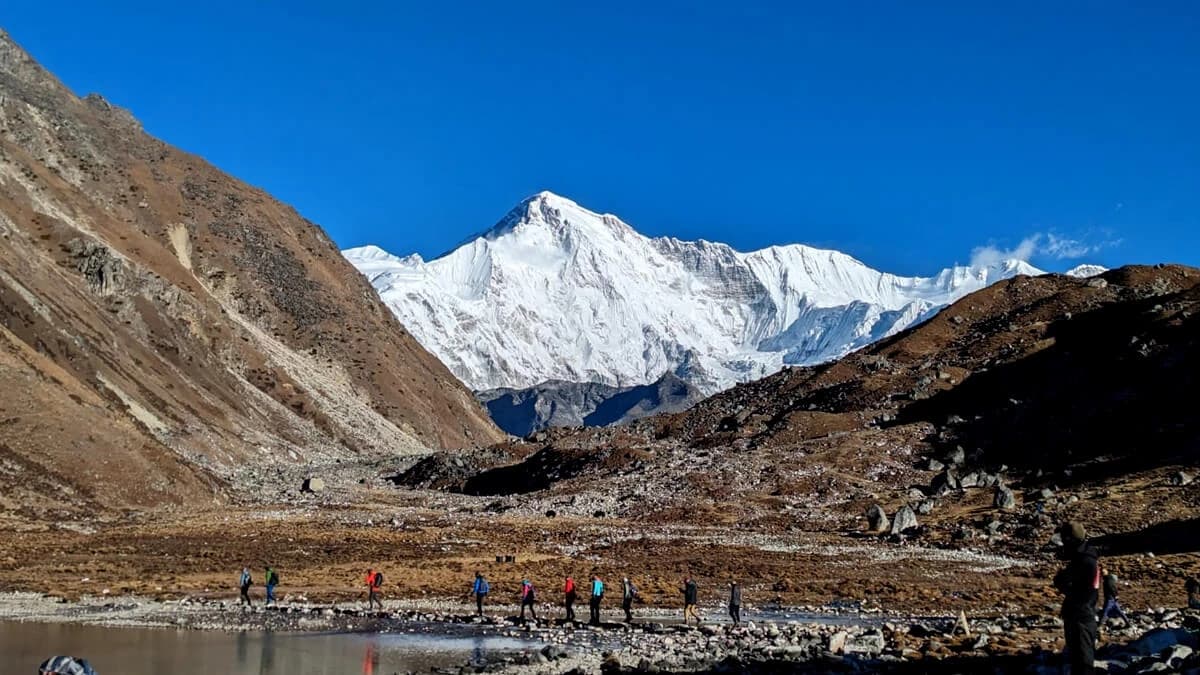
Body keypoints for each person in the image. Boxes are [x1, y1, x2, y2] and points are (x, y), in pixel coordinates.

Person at [1053, 522, 1099, 675]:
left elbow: (1065, 583)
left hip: (1080, 617)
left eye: (1064, 539)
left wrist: (1061, 580)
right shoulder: (1087, 557)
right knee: (1082, 660)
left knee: (1082, 664)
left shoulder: (1082, 561)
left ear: (1070, 540)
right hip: (1084, 614)